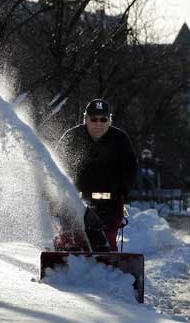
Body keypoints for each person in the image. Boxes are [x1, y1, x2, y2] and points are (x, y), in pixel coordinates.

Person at [55, 99, 138, 251]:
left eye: (103, 119)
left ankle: (108, 264)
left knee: (106, 237)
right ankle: (66, 261)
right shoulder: (72, 136)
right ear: (85, 119)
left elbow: (130, 168)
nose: (98, 123)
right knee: (69, 236)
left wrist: (122, 190)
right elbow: (57, 165)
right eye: (93, 119)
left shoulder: (120, 139)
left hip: (109, 202)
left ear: (109, 120)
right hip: (75, 199)